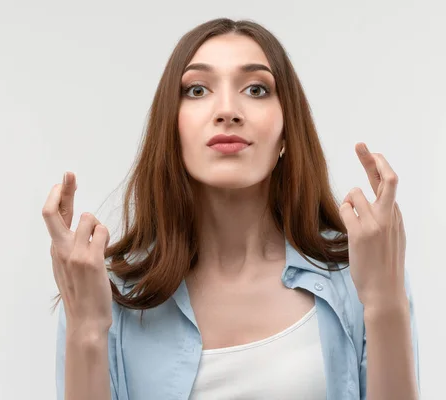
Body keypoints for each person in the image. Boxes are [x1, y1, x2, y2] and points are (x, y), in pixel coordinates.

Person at [43, 18, 420, 400]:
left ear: (287, 131)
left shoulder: (361, 273)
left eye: (256, 89)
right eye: (197, 89)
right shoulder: (108, 295)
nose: (227, 110)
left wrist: (386, 304)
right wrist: (87, 329)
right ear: (171, 128)